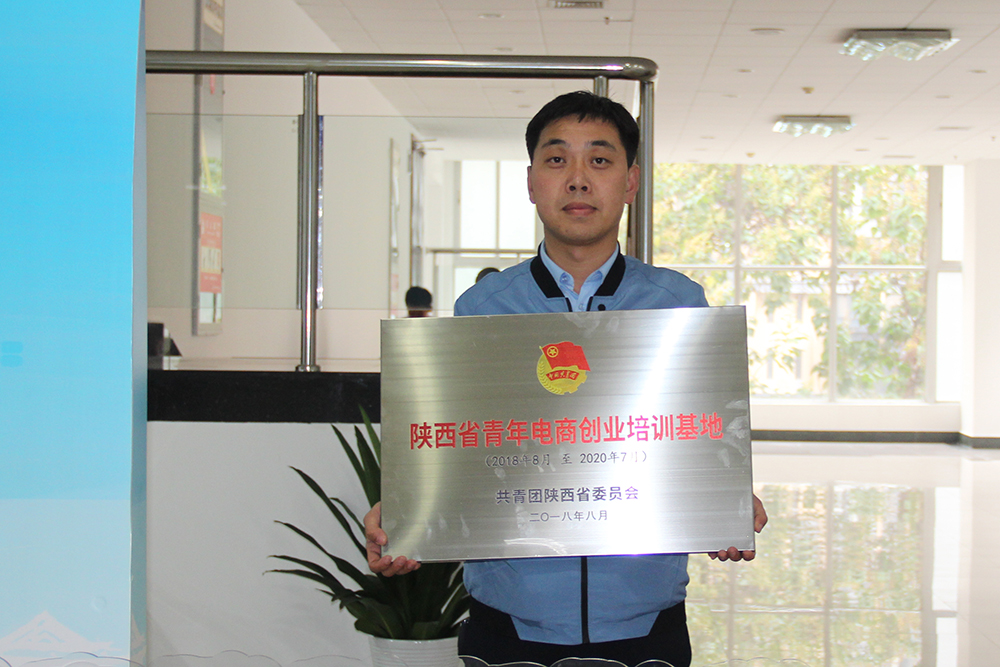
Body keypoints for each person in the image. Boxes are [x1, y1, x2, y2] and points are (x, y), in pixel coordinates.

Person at [365, 91, 768, 667]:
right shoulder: (483, 308)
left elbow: (698, 440)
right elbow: (460, 450)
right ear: (532, 181)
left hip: (645, 621)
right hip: (507, 622)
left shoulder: (678, 306)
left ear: (630, 182)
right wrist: (405, 515)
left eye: (599, 160)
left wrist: (723, 500)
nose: (578, 179)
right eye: (557, 160)